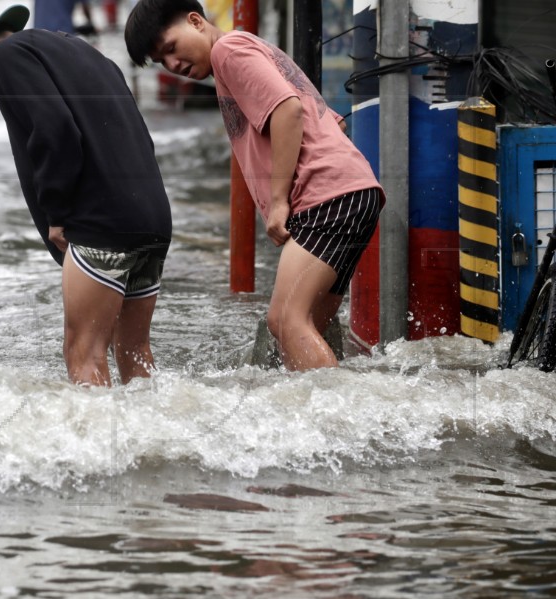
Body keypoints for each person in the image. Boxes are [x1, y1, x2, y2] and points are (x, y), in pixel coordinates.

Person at [125, 0, 385, 372]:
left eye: (170, 48)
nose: (173, 65)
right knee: (311, 323)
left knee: (285, 320)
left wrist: (279, 200)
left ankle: (333, 417)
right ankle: (330, 410)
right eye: (161, 62)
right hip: (351, 193)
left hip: (328, 197)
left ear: (196, 21)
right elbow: (332, 123)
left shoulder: (229, 51)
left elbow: (287, 110)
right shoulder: (251, 48)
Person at [0, 5, 172, 386]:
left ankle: (101, 446)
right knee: (134, 352)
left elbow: (54, 130)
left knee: (83, 353)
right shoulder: (88, 54)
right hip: (150, 221)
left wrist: (55, 212)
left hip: (100, 223)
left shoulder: (7, 55)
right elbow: (141, 137)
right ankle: (156, 440)